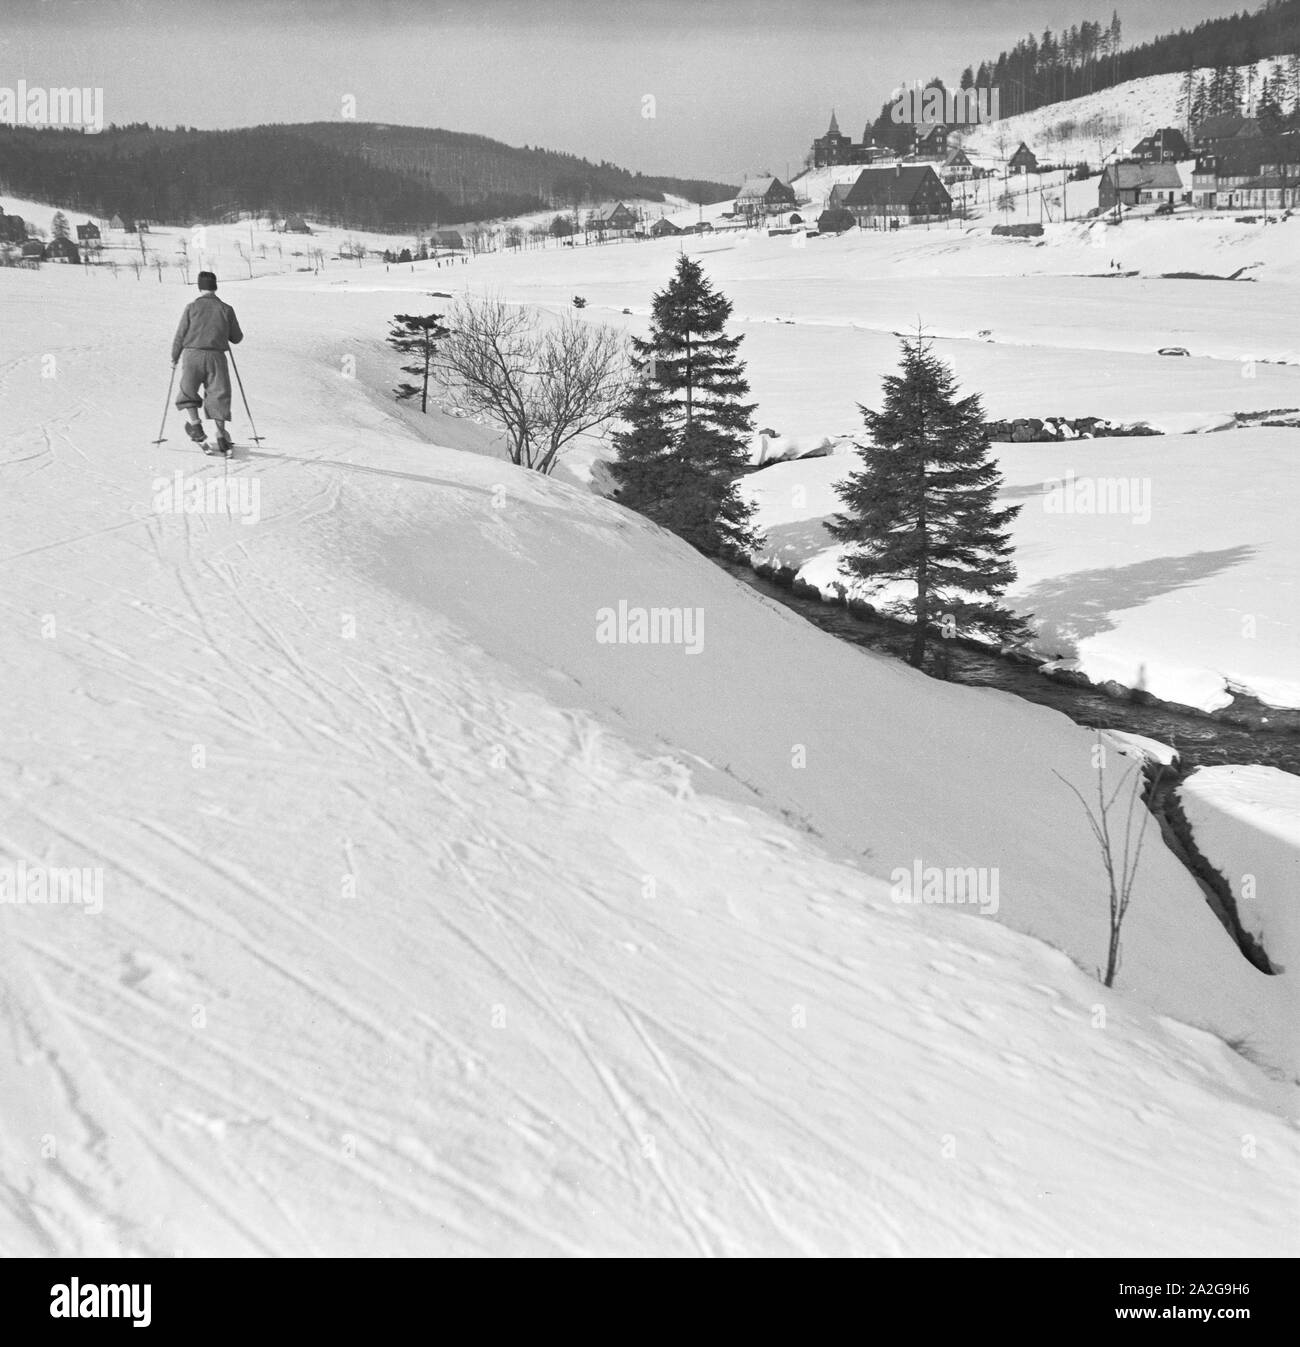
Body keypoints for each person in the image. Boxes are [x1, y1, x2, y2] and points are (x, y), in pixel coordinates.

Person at [171, 271, 244, 453]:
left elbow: (180, 334)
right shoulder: (226, 309)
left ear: (199, 287)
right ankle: (220, 434)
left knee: (188, 391)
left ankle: (196, 426)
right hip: (216, 357)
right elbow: (237, 338)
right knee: (219, 394)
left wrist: (174, 357)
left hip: (192, 355)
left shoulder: (191, 308)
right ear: (215, 287)